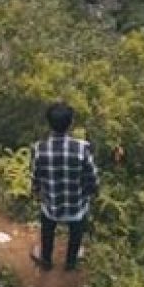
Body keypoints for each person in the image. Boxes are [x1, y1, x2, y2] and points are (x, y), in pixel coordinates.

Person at [30, 101, 98, 271]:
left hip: (51, 204)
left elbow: (36, 176)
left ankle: (46, 260)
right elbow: (92, 176)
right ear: (71, 123)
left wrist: (37, 191)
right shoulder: (82, 149)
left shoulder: (40, 149)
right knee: (76, 232)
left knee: (48, 231)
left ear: (49, 123)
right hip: (77, 204)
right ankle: (71, 262)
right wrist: (92, 191)